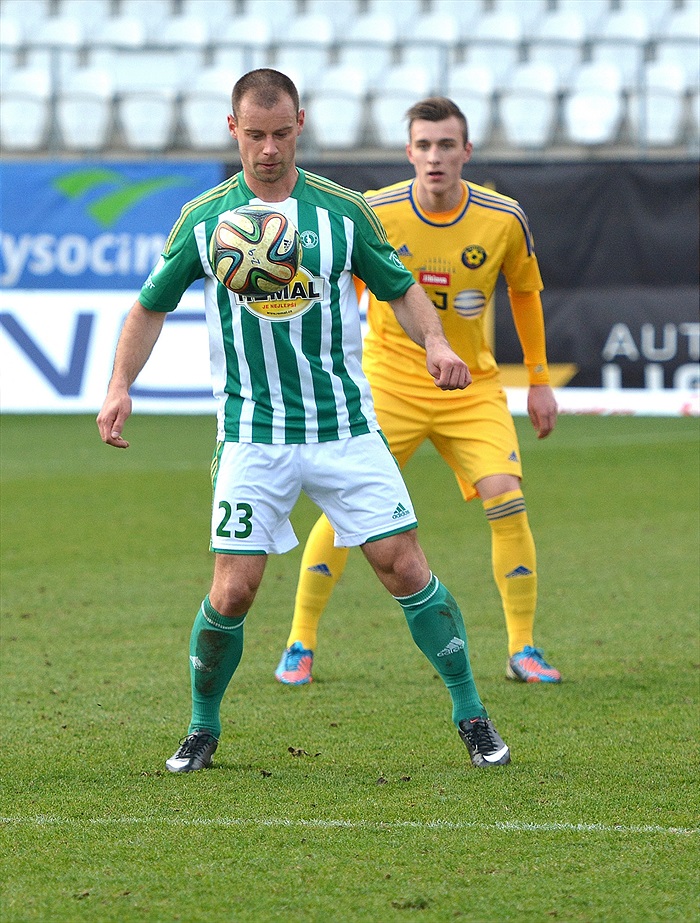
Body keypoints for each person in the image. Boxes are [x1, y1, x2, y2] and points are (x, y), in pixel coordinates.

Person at [97, 70, 511, 772]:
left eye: (280, 133)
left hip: (344, 427)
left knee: (404, 565)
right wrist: (118, 385)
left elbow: (400, 287)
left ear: (300, 125)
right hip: (251, 435)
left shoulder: (342, 212)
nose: (267, 149)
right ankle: (202, 725)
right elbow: (148, 306)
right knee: (233, 589)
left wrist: (437, 341)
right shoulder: (205, 219)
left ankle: (471, 713)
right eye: (254, 135)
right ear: (234, 129)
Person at [275, 96, 561, 688]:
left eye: (446, 145)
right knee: (344, 505)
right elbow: (338, 286)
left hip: (471, 384)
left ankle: (523, 648)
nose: (435, 157)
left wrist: (537, 381)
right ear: (409, 152)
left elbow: (525, 294)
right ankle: (300, 642)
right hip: (389, 383)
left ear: (466, 152)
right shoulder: (373, 212)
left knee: (506, 496)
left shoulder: (503, 218)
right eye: (424, 146)